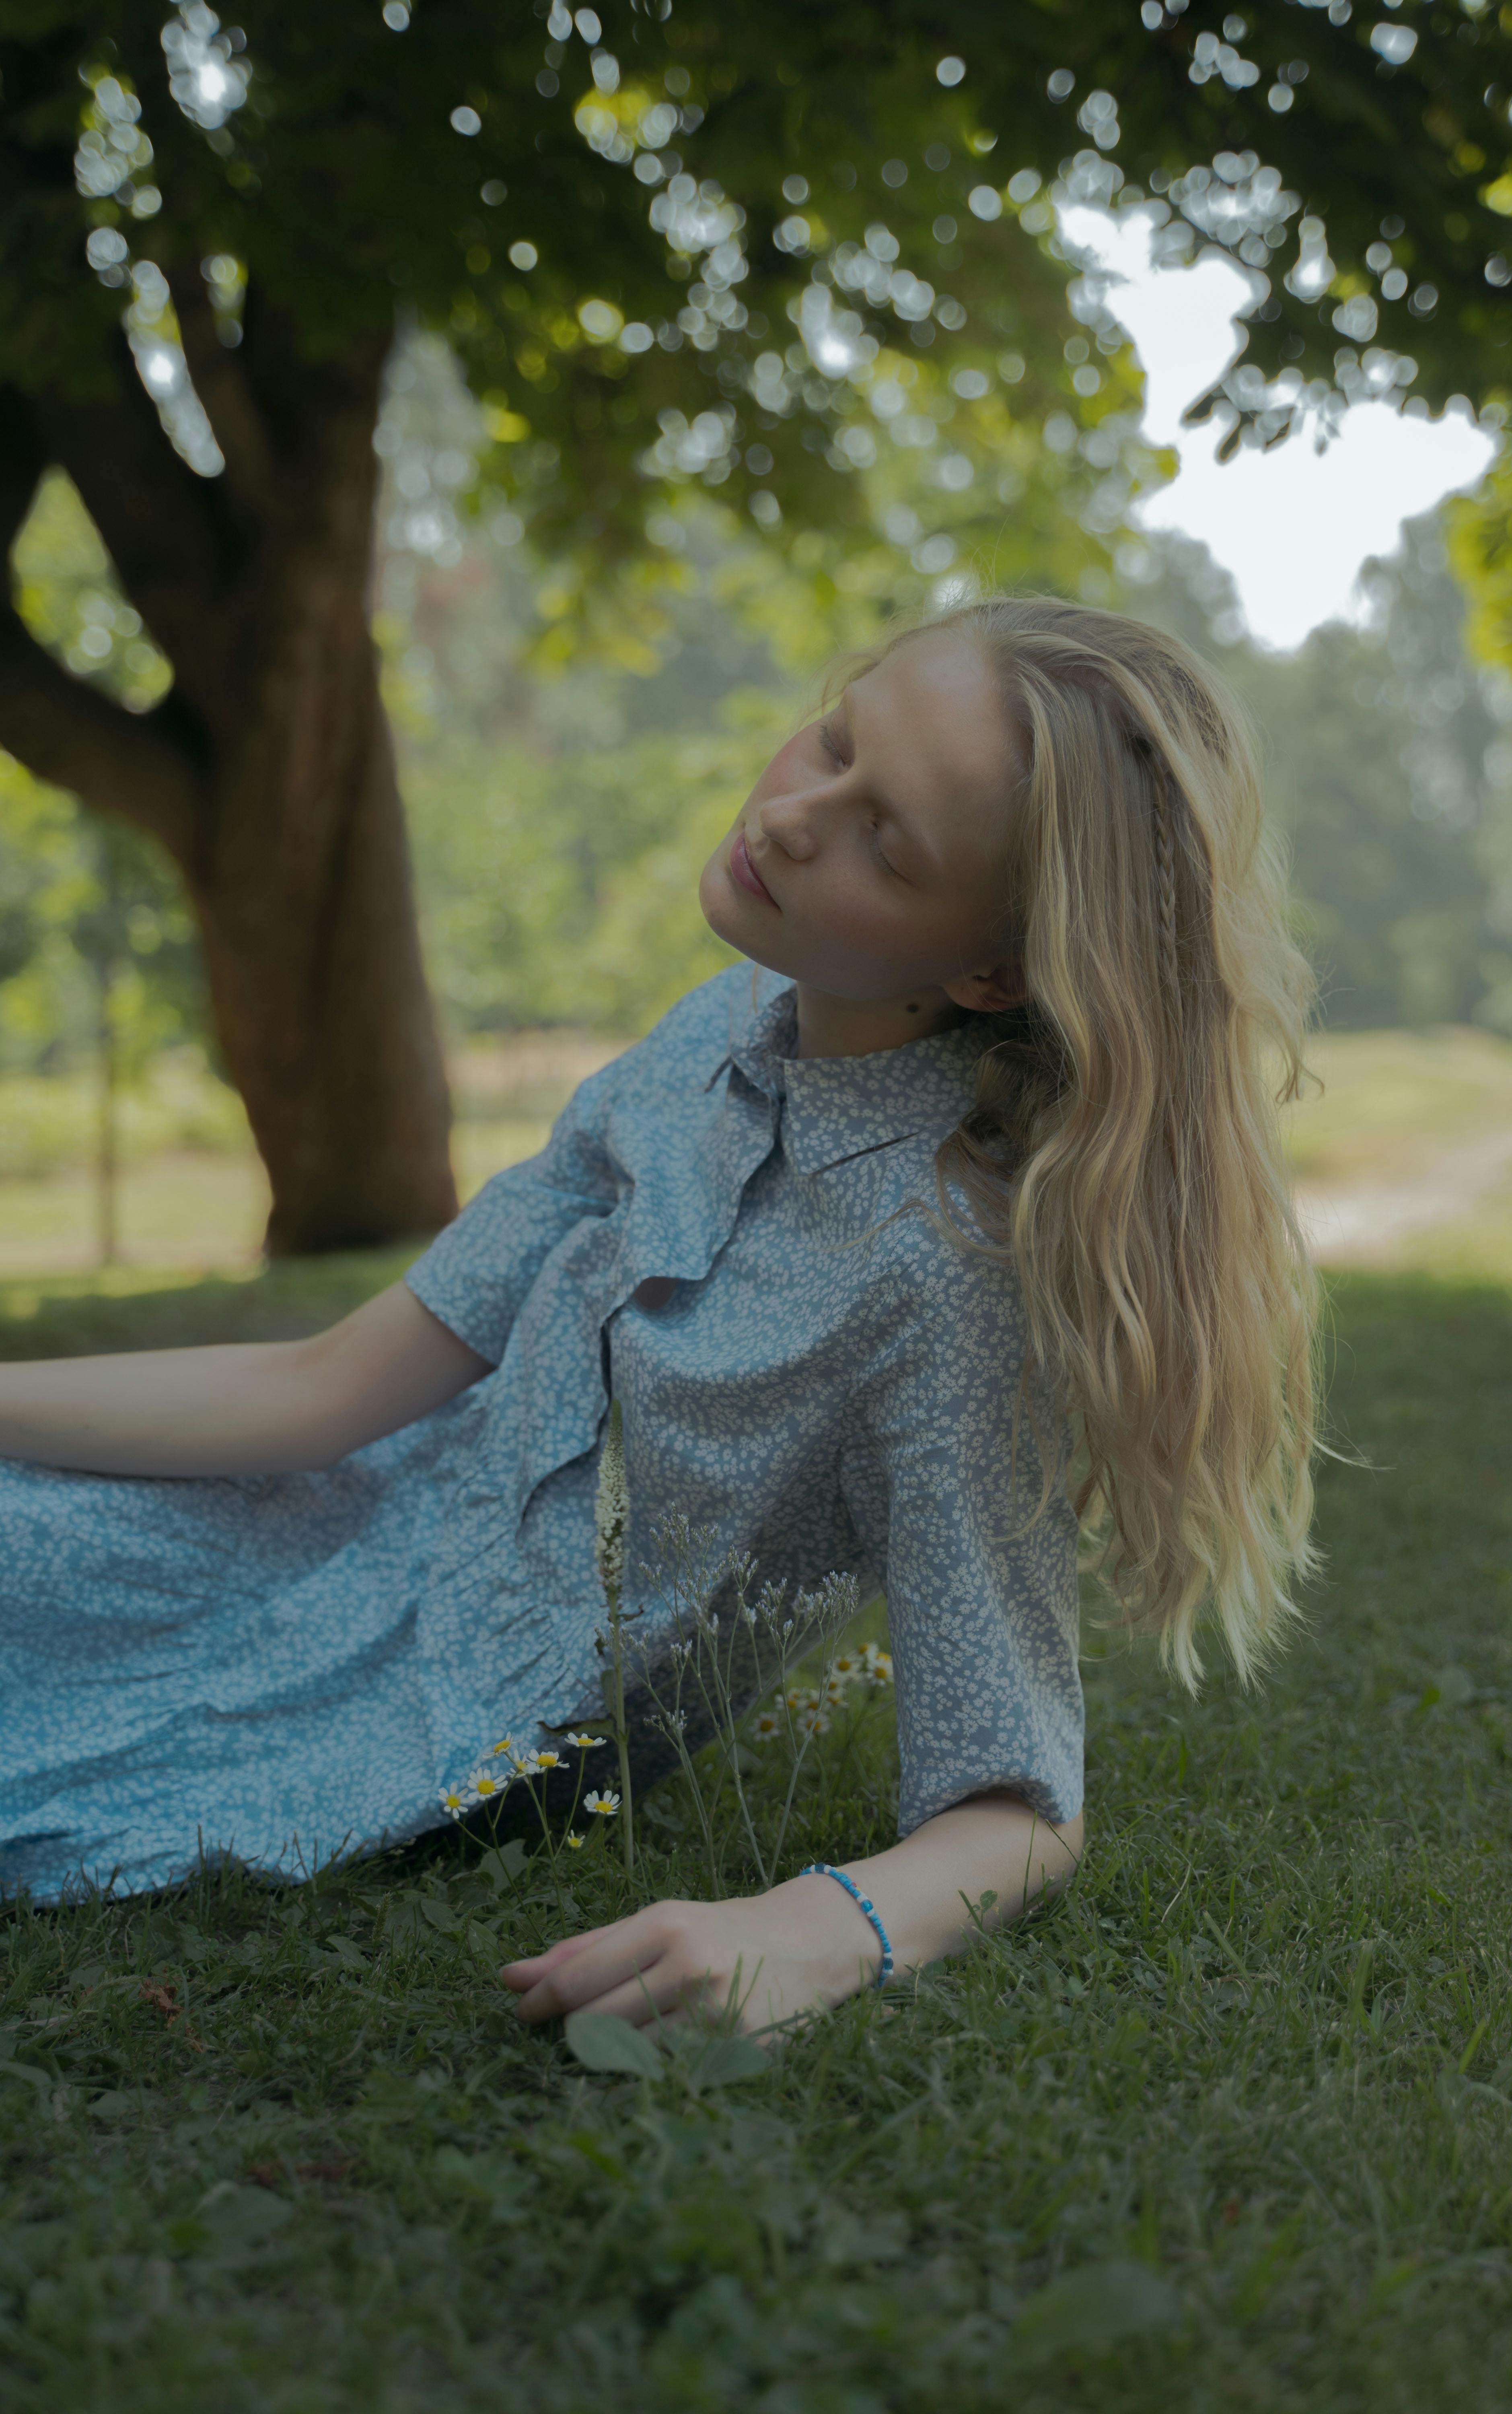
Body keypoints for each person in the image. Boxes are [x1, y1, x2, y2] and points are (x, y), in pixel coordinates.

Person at [0, 595, 1318, 2035]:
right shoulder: (715, 1026)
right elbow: (331, 1384)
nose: (800, 815)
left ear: (991, 970)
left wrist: (812, 1932)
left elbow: (1016, 1805)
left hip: (412, 1717)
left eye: (887, 839)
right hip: (334, 1519)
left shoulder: (943, 1289)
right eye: (833, 742)